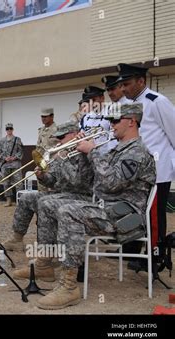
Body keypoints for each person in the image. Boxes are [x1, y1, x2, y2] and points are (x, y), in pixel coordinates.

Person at [27, 103, 155, 310]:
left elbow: (112, 183)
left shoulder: (137, 152)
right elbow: (100, 183)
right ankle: (45, 263)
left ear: (132, 122)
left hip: (123, 216)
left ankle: (69, 286)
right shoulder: (119, 149)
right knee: (49, 204)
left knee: (68, 211)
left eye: (115, 121)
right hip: (108, 207)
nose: (110, 125)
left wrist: (93, 151)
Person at [117, 63, 175, 271]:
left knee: (155, 217)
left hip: (157, 172)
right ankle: (142, 252)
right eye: (121, 84)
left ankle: (156, 257)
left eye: (127, 83)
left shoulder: (157, 102)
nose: (123, 89)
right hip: (137, 173)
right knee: (139, 215)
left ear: (141, 81)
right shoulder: (129, 105)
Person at [6, 121, 93, 252]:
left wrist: (62, 159)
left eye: (62, 137)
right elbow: (52, 181)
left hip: (81, 196)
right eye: (57, 137)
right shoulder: (62, 152)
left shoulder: (85, 152)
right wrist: (42, 176)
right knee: (26, 198)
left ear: (74, 134)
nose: (59, 140)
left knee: (45, 203)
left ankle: (48, 252)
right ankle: (17, 239)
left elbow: (77, 182)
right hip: (61, 194)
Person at [78, 85, 117, 153]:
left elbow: (114, 138)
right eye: (89, 100)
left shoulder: (112, 112)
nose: (91, 103)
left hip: (107, 155)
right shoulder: (85, 118)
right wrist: (80, 137)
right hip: (90, 156)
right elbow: (83, 136)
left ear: (102, 98)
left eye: (94, 100)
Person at [0, 122, 24, 207]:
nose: (9, 130)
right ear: (5, 130)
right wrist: (4, 158)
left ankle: (21, 201)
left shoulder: (17, 139)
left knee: (18, 183)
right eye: (7, 129)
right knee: (6, 183)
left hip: (15, 164)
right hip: (5, 165)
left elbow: (21, 150)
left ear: (13, 129)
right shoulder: (2, 141)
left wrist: (14, 157)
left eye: (10, 128)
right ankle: (9, 200)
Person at [36, 107, 58, 191]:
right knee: (41, 188)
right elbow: (38, 146)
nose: (43, 119)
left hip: (52, 163)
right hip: (41, 163)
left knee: (52, 188)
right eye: (42, 117)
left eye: (45, 117)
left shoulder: (57, 129)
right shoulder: (41, 130)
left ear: (52, 116)